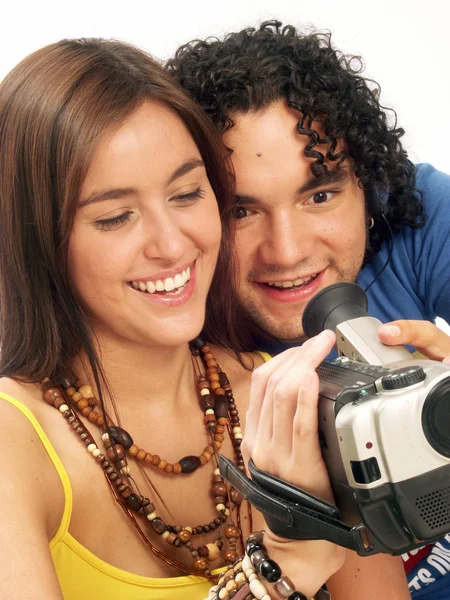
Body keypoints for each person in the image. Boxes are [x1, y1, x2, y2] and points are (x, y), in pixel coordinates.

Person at [0, 36, 382, 600]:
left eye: (186, 194)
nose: (173, 244)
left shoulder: (295, 397)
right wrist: (282, 571)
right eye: (116, 216)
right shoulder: (16, 445)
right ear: (38, 239)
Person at [167, 20, 450, 598]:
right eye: (240, 211)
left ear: (370, 188)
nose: (288, 251)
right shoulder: (181, 337)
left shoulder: (419, 213)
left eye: (319, 195)